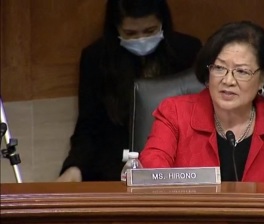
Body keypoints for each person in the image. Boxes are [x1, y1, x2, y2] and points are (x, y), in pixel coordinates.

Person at [139, 21, 264, 183]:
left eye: (242, 72)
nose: (228, 80)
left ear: (262, 78)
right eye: (220, 68)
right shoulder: (175, 113)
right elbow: (151, 172)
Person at [57, 0, 202, 182]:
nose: (141, 39)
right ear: (116, 28)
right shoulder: (96, 58)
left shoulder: (188, 51)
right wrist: (74, 167)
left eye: (150, 31)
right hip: (113, 170)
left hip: (175, 168)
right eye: (130, 33)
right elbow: (88, 126)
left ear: (162, 23)